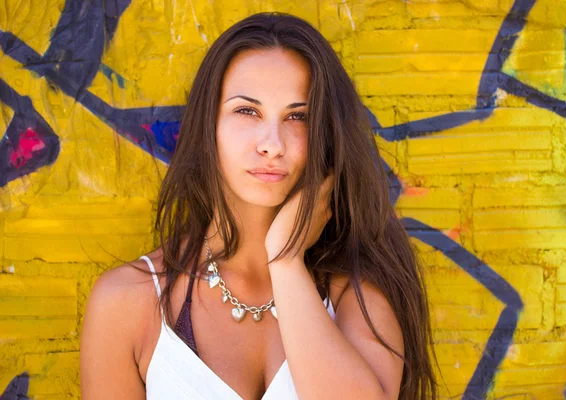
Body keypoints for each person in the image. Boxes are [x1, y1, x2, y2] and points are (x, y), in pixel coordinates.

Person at [80, 12, 437, 400]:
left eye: (298, 116)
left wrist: (285, 261)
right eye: (247, 111)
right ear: (208, 125)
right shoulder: (128, 302)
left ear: (325, 135)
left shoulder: (358, 293)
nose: (272, 143)